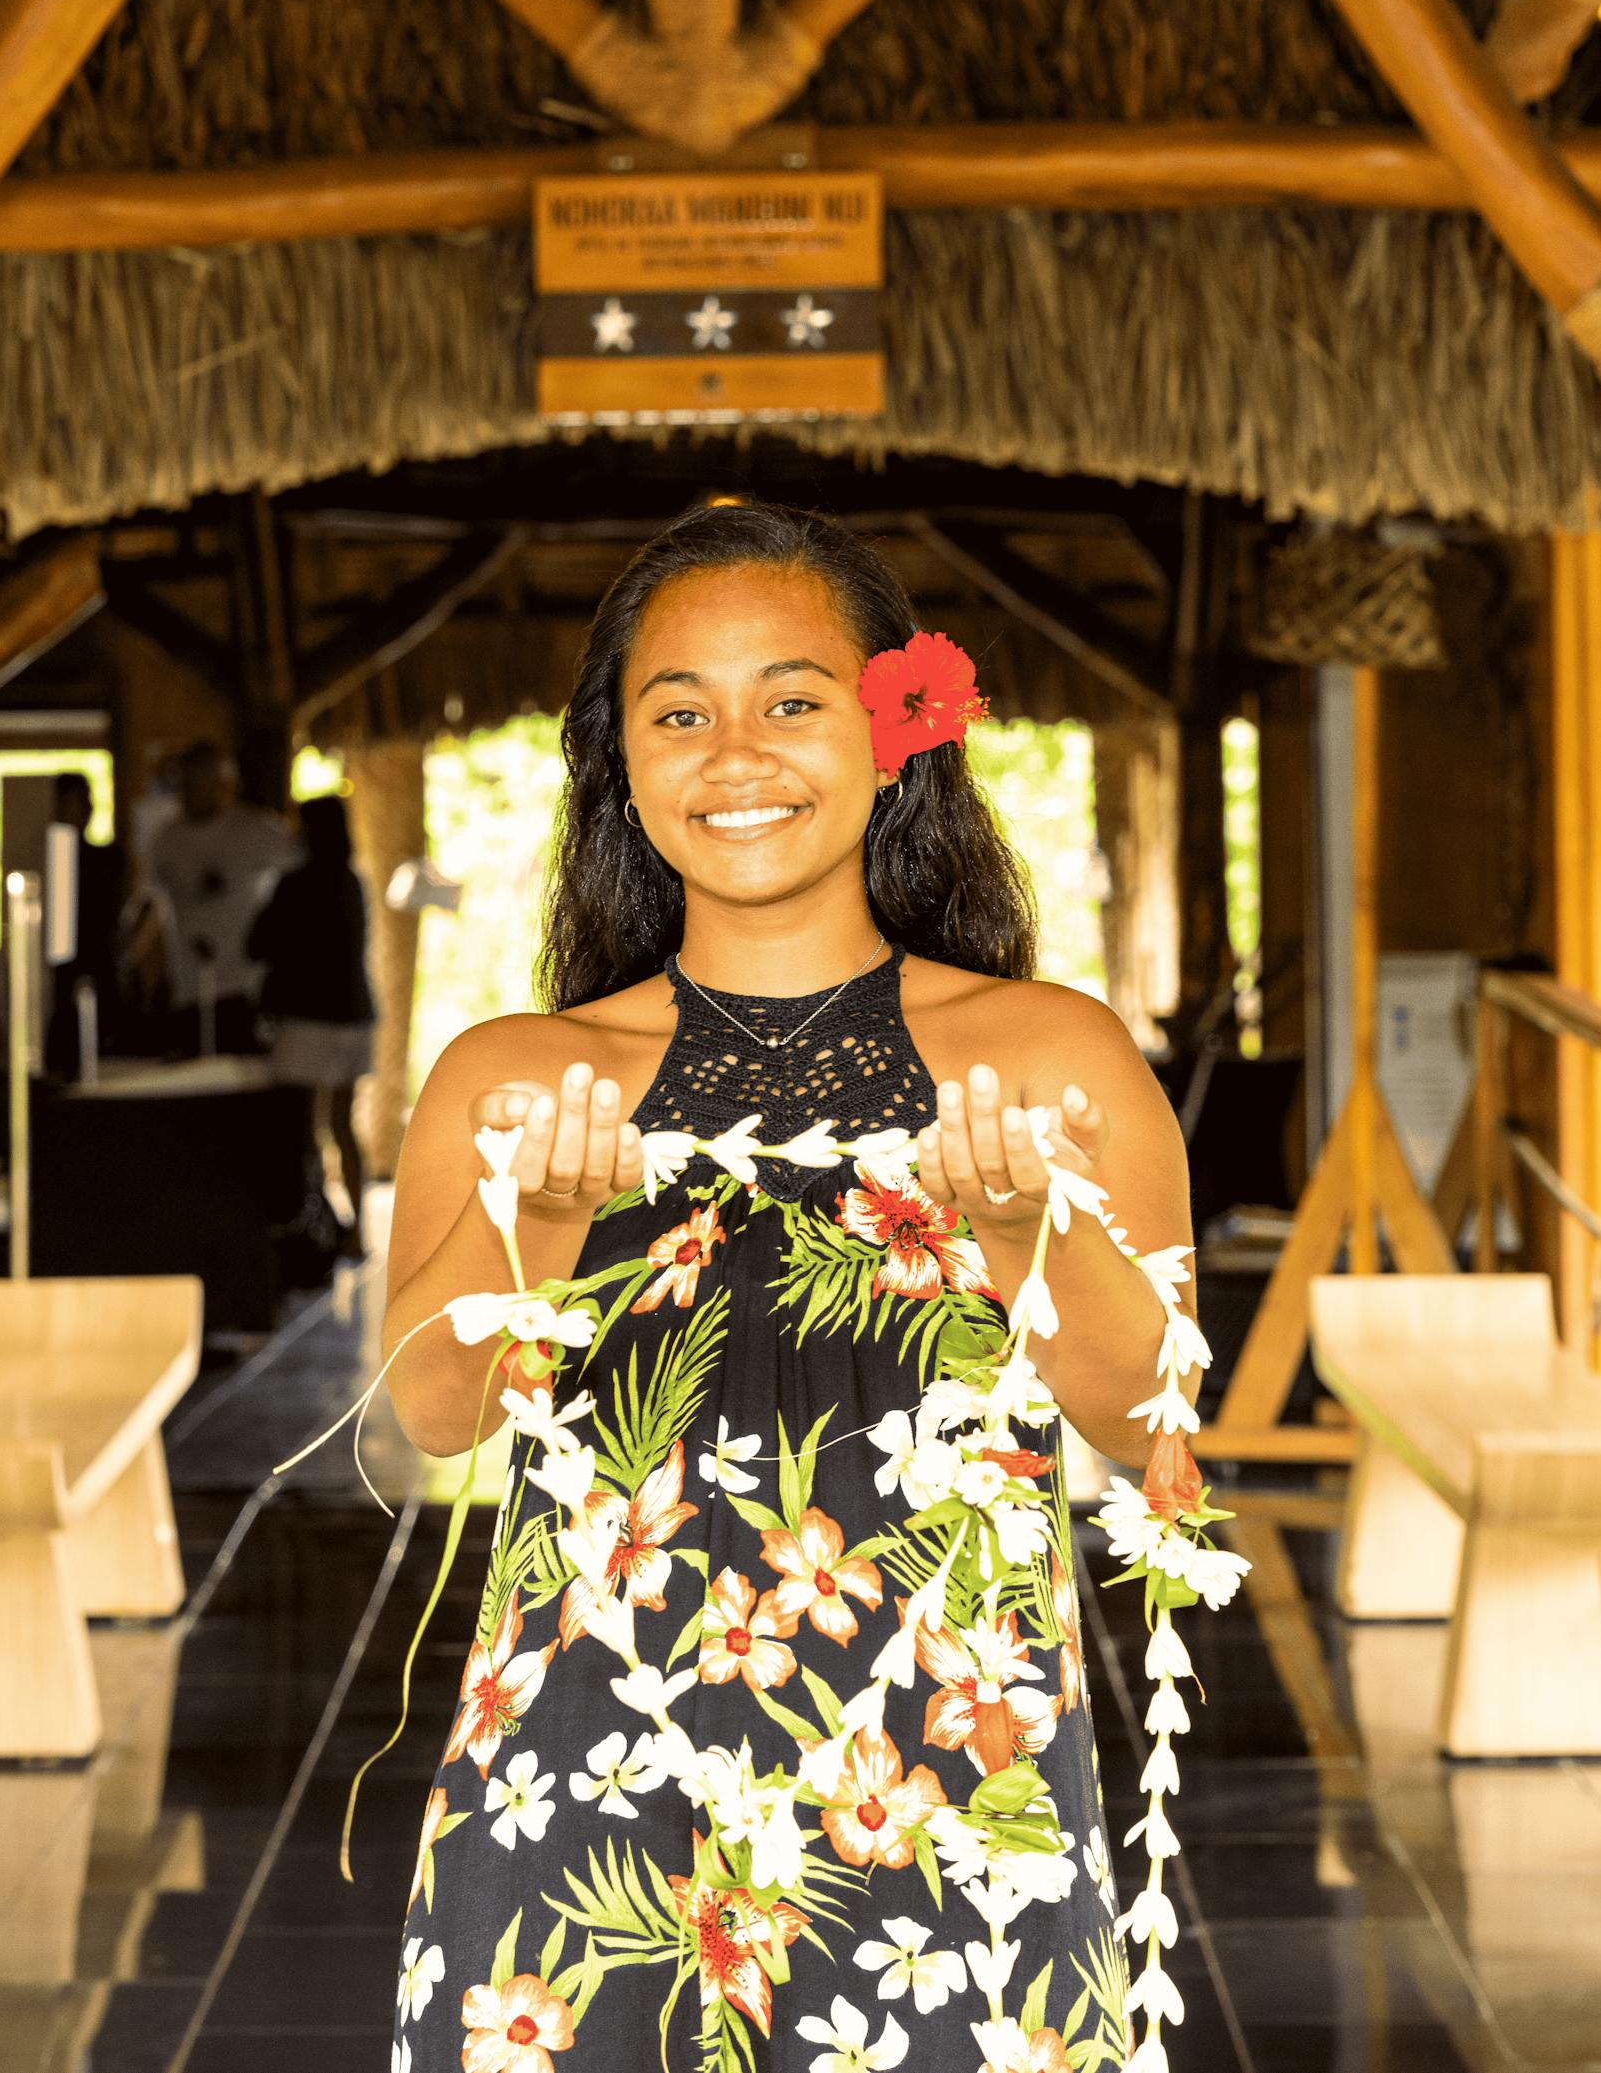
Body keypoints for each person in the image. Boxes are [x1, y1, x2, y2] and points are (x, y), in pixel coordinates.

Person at [376, 502, 1200, 2073]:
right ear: (620, 760)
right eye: (678, 711)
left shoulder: (1044, 1056)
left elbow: (1152, 1421)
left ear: (896, 728)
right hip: (586, 1779)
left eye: (792, 701)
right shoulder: (520, 1076)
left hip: (947, 1773)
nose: (734, 751)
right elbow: (425, 1411)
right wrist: (542, 1221)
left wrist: (1027, 1232)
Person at [251, 793, 379, 1240]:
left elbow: (258, 944)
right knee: (343, 1126)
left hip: (308, 1020)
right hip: (354, 1015)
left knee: (303, 1132)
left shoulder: (295, 884)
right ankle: (357, 1231)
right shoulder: (351, 881)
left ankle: (310, 1228)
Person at [140, 740, 299, 1055]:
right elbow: (155, 909)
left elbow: (300, 892)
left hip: (242, 990)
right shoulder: (165, 841)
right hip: (186, 991)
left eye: (203, 778)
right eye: (187, 778)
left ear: (223, 783)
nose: (192, 788)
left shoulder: (257, 832)